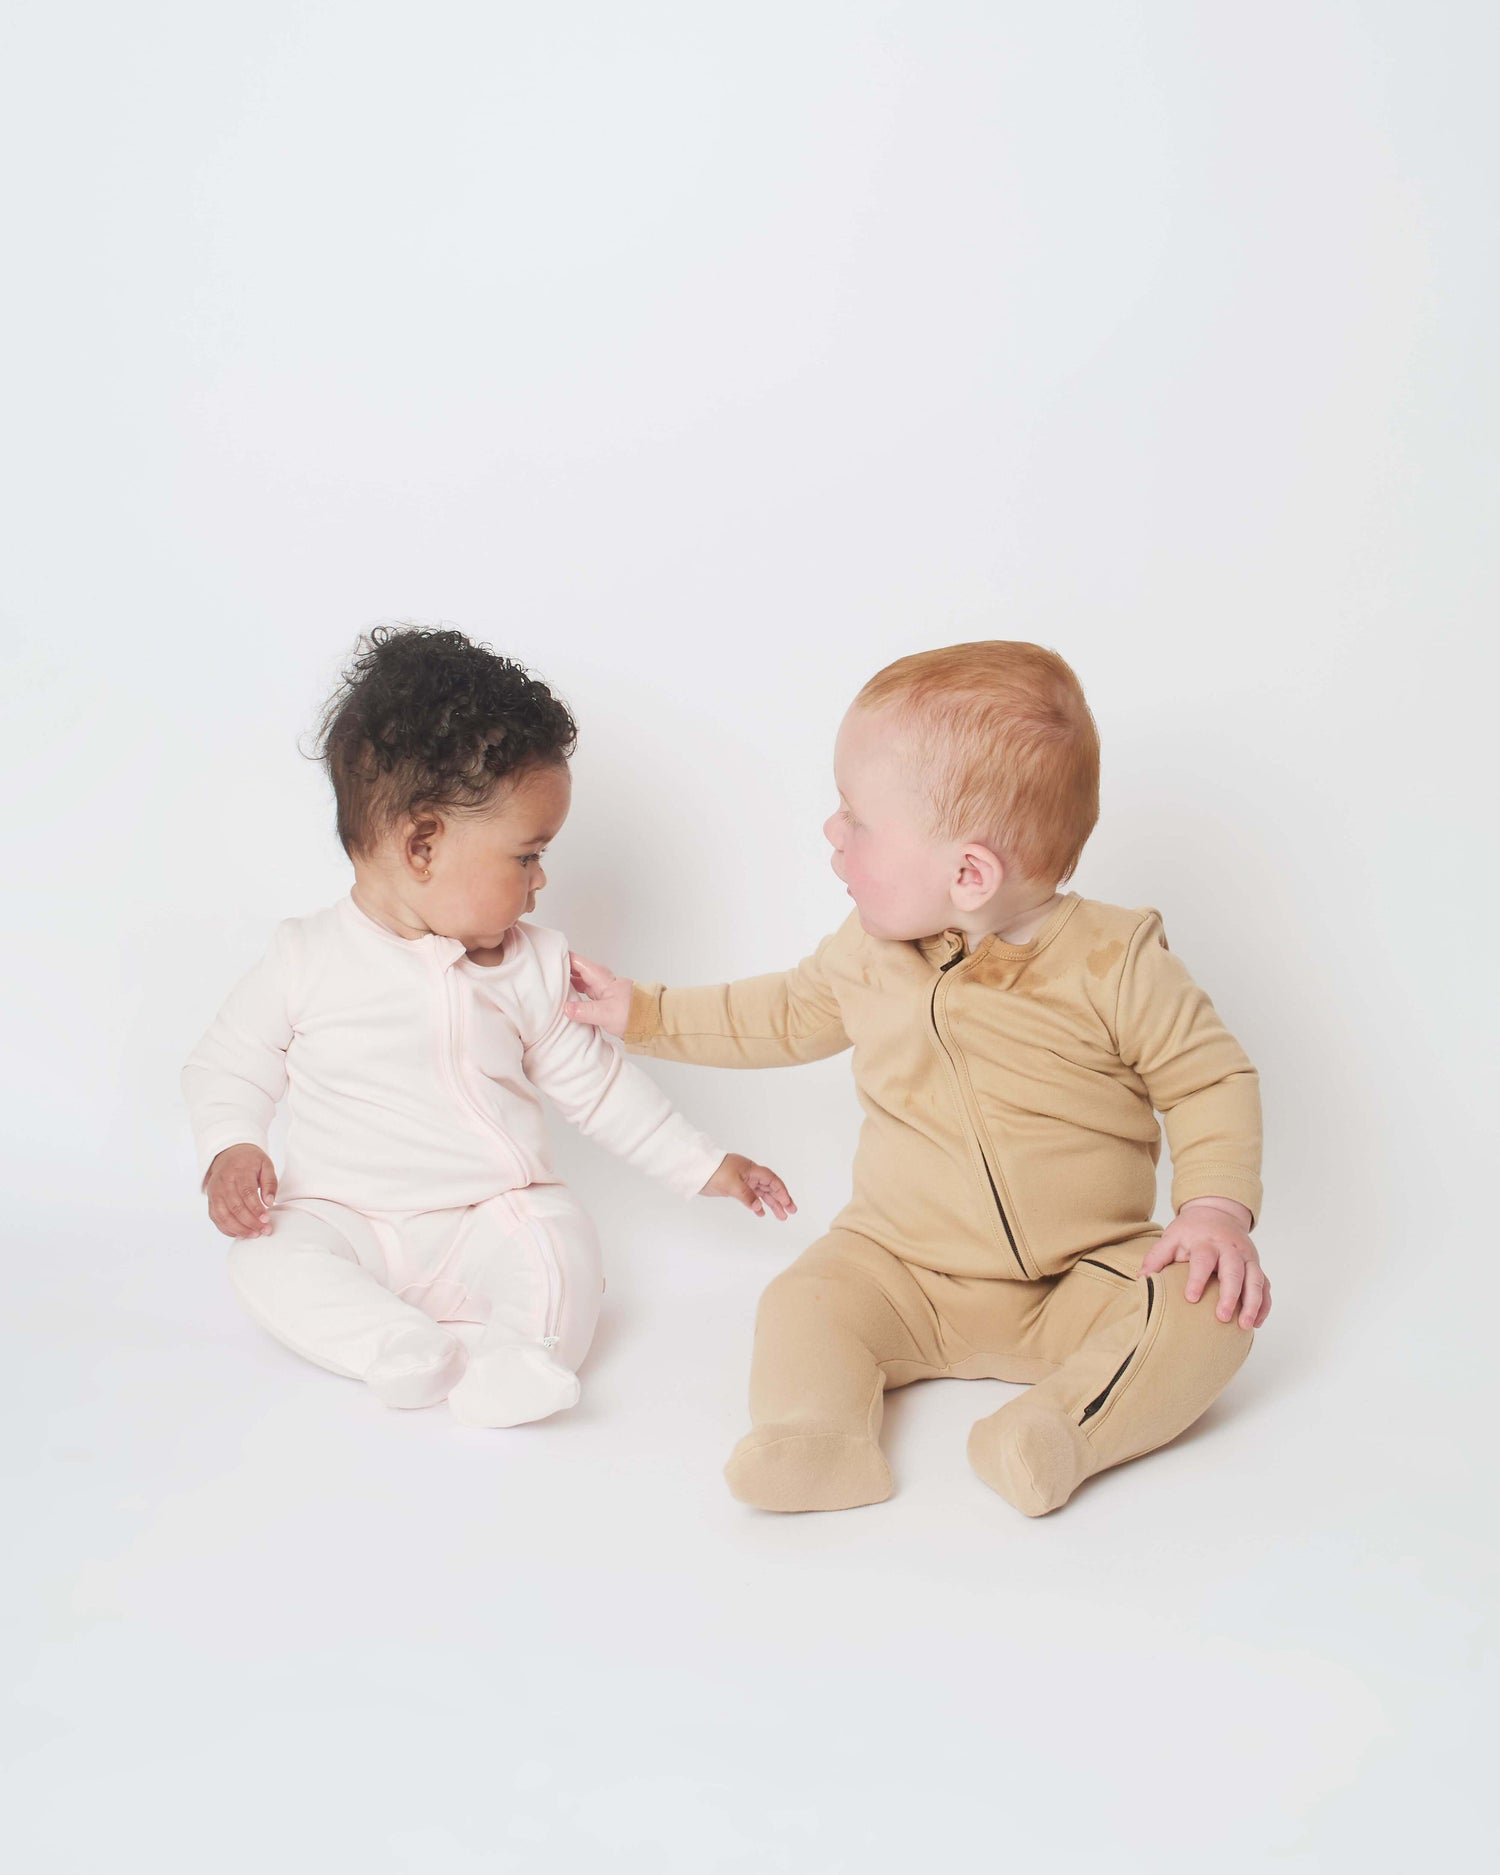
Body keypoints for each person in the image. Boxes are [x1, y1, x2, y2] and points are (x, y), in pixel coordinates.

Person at [565, 642, 1269, 1514]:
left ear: (968, 873)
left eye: (855, 819)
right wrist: (643, 1010)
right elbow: (778, 1014)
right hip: (902, 1273)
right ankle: (818, 1437)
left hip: (1081, 1278)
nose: (833, 831)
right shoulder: (867, 958)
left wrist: (1212, 1212)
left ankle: (1057, 1430)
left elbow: (1209, 1080)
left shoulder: (1113, 963)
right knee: (805, 1299)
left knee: (1214, 1310)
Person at [182, 626, 794, 1429]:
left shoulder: (531, 966)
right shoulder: (305, 958)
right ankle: (393, 1344)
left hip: (489, 1218)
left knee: (563, 1244)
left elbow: (602, 1089)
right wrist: (232, 1145)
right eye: (527, 856)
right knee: (265, 1258)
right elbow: (224, 1065)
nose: (542, 881)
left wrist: (707, 1164)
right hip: (348, 1219)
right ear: (423, 843)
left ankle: (518, 1361)